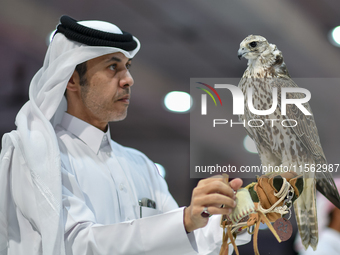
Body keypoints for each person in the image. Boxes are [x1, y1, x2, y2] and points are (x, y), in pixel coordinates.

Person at [0, 16, 250, 255]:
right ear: (73, 79)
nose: (128, 79)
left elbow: (181, 245)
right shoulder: (32, 153)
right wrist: (184, 219)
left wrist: (240, 217)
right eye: (112, 67)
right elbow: (76, 245)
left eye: (127, 67)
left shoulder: (140, 164)